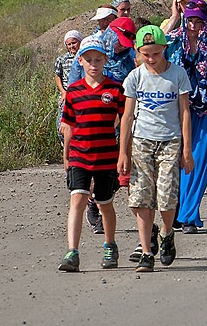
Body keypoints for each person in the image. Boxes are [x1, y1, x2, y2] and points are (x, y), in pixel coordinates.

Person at [118, 25, 193, 272]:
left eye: (156, 54)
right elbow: (127, 117)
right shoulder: (135, 77)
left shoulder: (178, 75)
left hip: (170, 141)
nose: (151, 59)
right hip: (141, 141)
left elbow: (184, 113)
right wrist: (123, 152)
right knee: (140, 197)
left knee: (166, 198)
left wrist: (186, 150)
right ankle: (146, 252)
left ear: (164, 49)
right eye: (145, 54)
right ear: (138, 52)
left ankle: (167, 232)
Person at [58, 36, 125, 272]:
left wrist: (123, 153)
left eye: (98, 59)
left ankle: (110, 245)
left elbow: (124, 120)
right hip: (79, 155)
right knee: (77, 199)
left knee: (104, 203)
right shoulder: (73, 91)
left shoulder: (115, 89)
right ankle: (72, 252)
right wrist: (66, 155)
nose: (93, 64)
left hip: (106, 156)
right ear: (81, 62)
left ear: (105, 60)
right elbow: (68, 125)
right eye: (88, 60)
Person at [166, 0, 207, 234]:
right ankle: (178, 210)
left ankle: (189, 215)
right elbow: (148, 52)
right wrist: (174, 17)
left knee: (200, 163)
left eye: (198, 21)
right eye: (190, 20)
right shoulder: (173, 41)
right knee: (179, 161)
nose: (193, 26)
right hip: (177, 108)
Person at [54, 30, 82, 140]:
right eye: (69, 44)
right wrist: (63, 92)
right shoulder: (62, 59)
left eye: (74, 43)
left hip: (82, 94)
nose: (72, 46)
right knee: (62, 125)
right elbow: (57, 76)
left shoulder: (86, 57)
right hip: (67, 95)